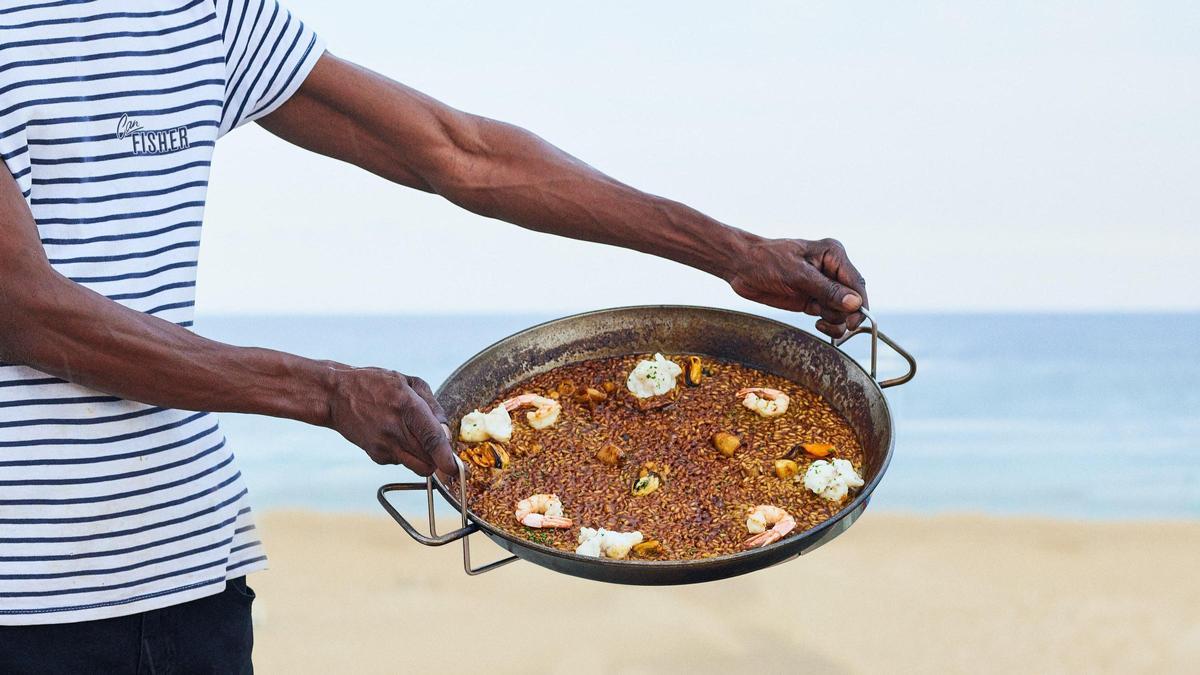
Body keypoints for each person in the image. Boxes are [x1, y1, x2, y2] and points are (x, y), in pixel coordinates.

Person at [0, 1, 868, 671]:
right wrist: (326, 391)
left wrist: (731, 251)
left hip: (186, 572)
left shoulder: (202, 15)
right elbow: (21, 307)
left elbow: (463, 154)